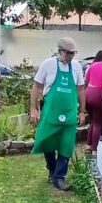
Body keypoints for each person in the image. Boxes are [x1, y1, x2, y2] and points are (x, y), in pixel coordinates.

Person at [30, 38, 86, 191]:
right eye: (67, 53)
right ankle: (52, 169)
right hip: (51, 111)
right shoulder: (48, 64)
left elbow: (81, 89)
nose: (70, 56)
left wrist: (82, 111)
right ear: (59, 51)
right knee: (47, 141)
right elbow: (36, 87)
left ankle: (59, 177)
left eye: (73, 53)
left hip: (70, 112)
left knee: (66, 144)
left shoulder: (76, 67)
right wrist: (33, 109)